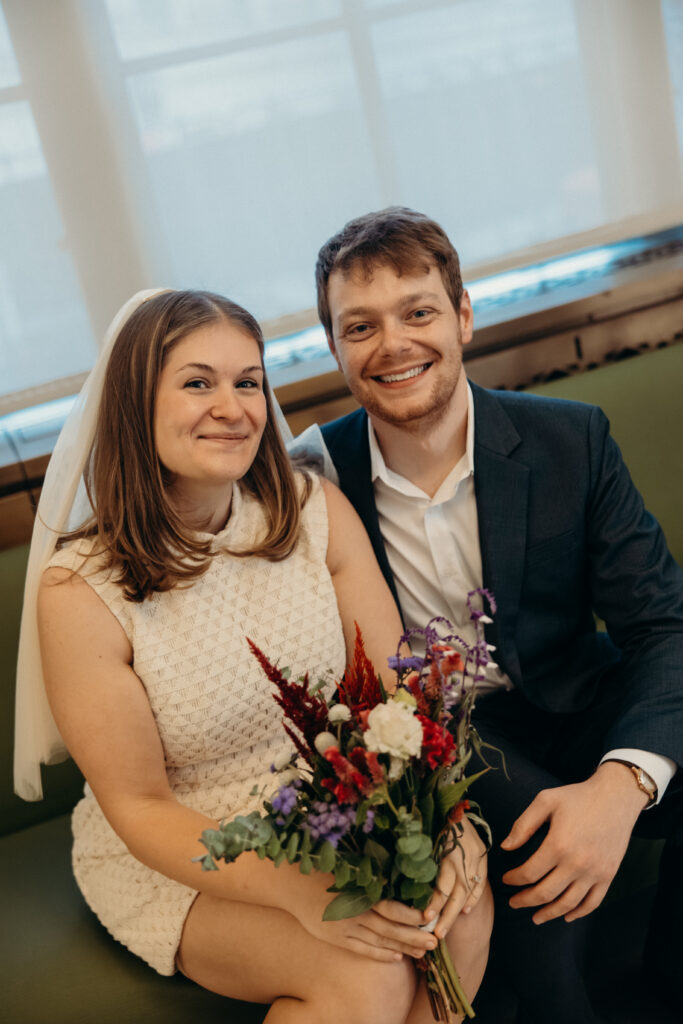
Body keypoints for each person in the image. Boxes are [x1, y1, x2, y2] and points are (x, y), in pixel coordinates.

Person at [13, 288, 493, 1024]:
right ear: (135, 404)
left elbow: (394, 704)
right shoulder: (79, 591)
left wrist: (443, 822)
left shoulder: (313, 512)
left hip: (339, 813)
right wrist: (299, 892)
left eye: (248, 382)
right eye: (197, 382)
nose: (233, 406)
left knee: (457, 914)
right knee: (367, 978)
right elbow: (140, 806)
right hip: (186, 850)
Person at [313, 207, 683, 1024]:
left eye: (418, 311)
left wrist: (623, 782)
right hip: (438, 745)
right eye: (360, 326)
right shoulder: (314, 482)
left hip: (571, 696)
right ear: (335, 349)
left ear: (463, 317)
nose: (394, 343)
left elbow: (662, 625)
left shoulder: (570, 440)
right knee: (537, 847)